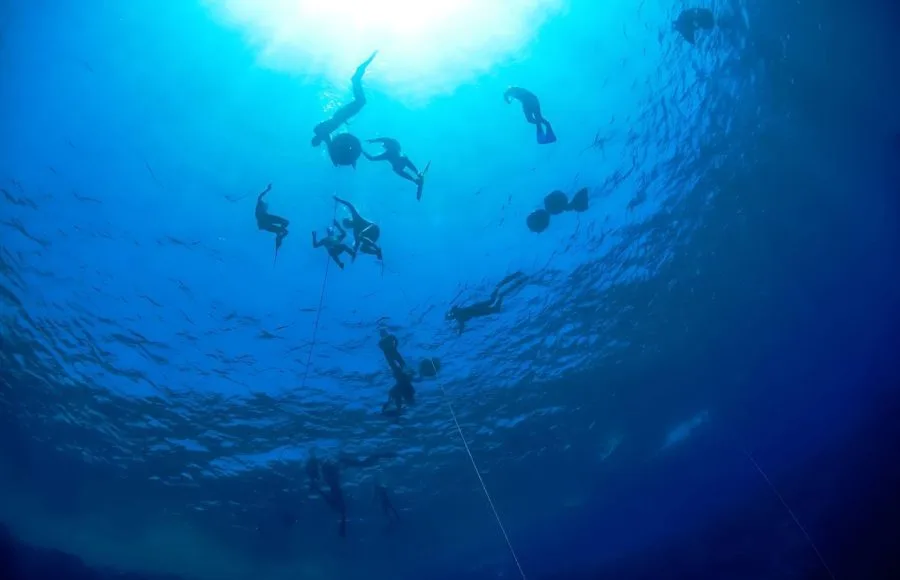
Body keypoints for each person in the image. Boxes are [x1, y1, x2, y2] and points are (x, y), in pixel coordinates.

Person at [311, 51, 378, 149]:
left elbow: (330, 145)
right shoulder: (322, 134)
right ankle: (356, 78)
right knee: (361, 101)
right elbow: (329, 143)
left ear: (316, 140)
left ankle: (356, 77)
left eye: (317, 142)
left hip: (341, 115)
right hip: (341, 115)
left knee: (361, 101)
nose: (319, 141)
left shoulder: (321, 134)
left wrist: (335, 159)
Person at [446, 272, 527, 334]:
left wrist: (459, 333)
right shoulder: (456, 311)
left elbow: (461, 325)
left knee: (497, 307)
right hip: (476, 307)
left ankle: (515, 284)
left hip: (478, 311)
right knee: (492, 299)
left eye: (450, 318)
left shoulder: (458, 316)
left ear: (451, 317)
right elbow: (456, 307)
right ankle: (508, 280)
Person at [363, 137, 430, 200]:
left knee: (397, 169)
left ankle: (415, 180)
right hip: (403, 160)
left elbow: (372, 158)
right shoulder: (394, 145)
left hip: (399, 165)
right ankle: (418, 173)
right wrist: (373, 141)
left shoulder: (387, 153)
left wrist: (362, 150)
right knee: (404, 160)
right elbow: (384, 139)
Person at [333, 196, 383, 260]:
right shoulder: (355, 231)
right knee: (362, 248)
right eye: (348, 226)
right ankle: (377, 252)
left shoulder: (355, 217)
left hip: (374, 228)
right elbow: (356, 245)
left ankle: (377, 248)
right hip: (372, 237)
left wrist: (339, 200)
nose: (350, 225)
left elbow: (349, 205)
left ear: (349, 220)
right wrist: (353, 255)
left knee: (360, 235)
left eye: (348, 223)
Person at [254, 184, 290, 260]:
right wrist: (267, 189)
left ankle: (279, 236)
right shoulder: (260, 207)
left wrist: (267, 189)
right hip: (266, 220)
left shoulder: (260, 209)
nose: (266, 207)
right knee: (286, 223)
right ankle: (279, 236)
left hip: (265, 226)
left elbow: (260, 196)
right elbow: (260, 196)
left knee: (285, 231)